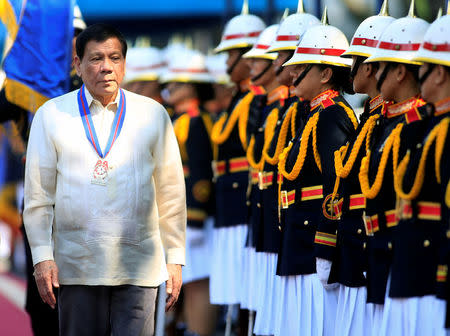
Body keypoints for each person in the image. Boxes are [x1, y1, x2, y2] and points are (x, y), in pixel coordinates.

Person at [23, 23, 186, 336]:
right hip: (77, 267)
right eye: (96, 59)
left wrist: (176, 258)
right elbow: (39, 196)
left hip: (139, 265)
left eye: (114, 58)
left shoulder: (152, 114)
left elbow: (171, 192)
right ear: (78, 64)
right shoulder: (52, 115)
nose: (106, 68)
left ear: (124, 64)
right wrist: (42, 258)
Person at [275, 10, 358, 336]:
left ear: (325, 73)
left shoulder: (331, 116)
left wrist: (325, 246)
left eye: (301, 67)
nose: (292, 73)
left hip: (312, 239)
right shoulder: (313, 115)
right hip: (298, 238)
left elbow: (334, 184)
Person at [359, 2, 429, 335]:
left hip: (411, 257)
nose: (373, 74)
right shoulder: (387, 123)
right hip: (381, 251)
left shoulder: (418, 126)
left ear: (400, 72)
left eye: (380, 67)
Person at [252, 3, 319, 335]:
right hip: (282, 220)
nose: (278, 64)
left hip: (307, 229)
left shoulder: (317, 112)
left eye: (284, 56)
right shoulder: (291, 107)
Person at [329, 2, 394, 335]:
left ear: (373, 66)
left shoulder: (388, 121)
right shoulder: (372, 116)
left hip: (374, 247)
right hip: (356, 243)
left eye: (356, 60)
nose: (351, 69)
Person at [384, 10, 450, 335]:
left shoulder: (443, 130)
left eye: (422, 67)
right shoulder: (424, 127)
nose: (416, 73)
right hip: (410, 263)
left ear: (439, 74)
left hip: (431, 269)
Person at [210, 2, 265, 332]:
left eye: (233, 54)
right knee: (236, 291)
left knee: (249, 292)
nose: (227, 62)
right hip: (229, 204)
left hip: (244, 204)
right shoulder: (240, 98)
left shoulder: (255, 101)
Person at [164, 48, 218, 336]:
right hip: (178, 212)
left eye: (175, 83)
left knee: (197, 280)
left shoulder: (197, 122)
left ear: (191, 85)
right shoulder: (180, 118)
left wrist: (195, 218)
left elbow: (200, 174)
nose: (169, 87)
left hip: (192, 216)